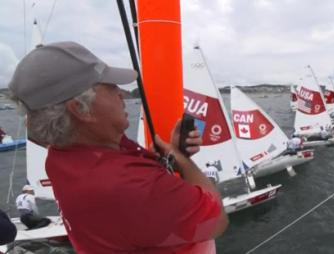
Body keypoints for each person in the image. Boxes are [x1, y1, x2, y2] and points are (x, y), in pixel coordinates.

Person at [8, 41, 228, 253]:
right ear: (80, 109)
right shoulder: (130, 186)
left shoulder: (62, 155)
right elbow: (217, 221)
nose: (121, 93)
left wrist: (160, 157)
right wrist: (181, 157)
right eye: (110, 86)